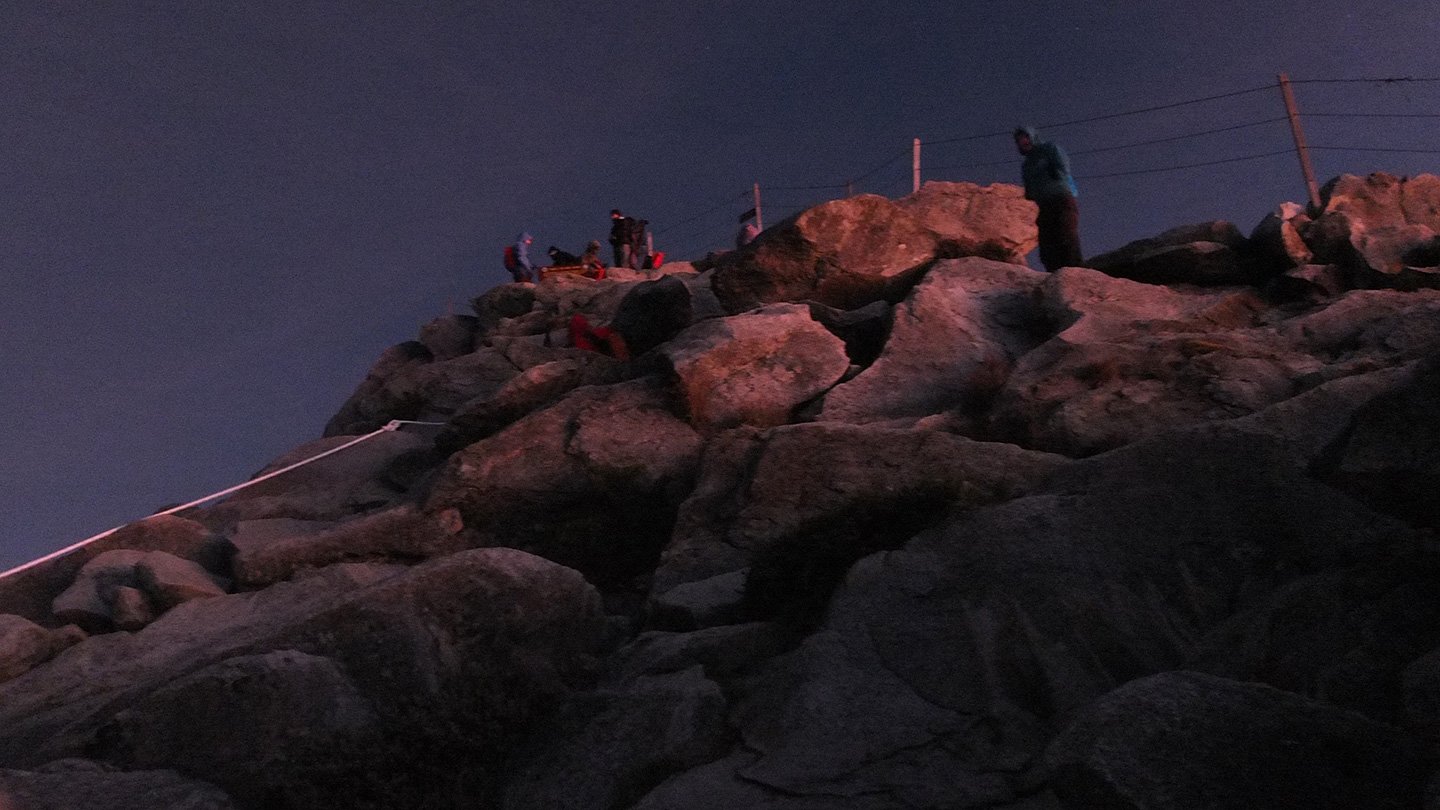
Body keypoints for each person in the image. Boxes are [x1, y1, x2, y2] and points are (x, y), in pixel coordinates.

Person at [1014, 126, 1083, 272]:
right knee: (1047, 245)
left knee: (1066, 234)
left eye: (1025, 138)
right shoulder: (1026, 165)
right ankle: (1054, 274)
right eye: (1019, 140)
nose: (1022, 142)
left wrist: (1058, 176)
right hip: (1043, 205)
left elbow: (1063, 166)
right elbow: (1028, 186)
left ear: (1032, 137)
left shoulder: (1049, 149)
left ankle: (1076, 272)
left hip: (1061, 198)